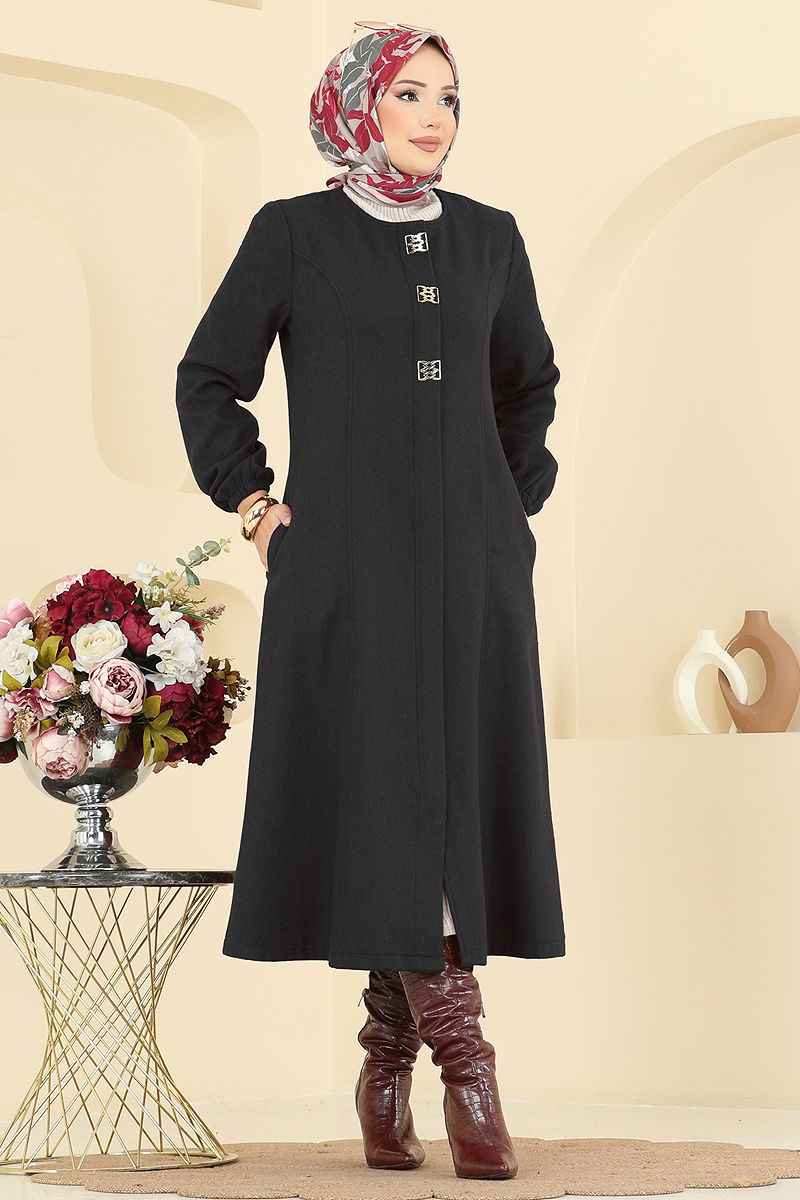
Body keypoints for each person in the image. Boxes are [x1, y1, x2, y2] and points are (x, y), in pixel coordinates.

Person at [175, 20, 566, 1181]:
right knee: (384, 803)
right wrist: (255, 505)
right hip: (345, 572)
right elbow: (208, 378)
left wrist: (502, 505)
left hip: (473, 576)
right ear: (356, 105)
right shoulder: (293, 233)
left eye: (448, 97)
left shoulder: (489, 237)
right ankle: (467, 1066)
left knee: (441, 803)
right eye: (409, 93)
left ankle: (385, 1064)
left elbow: (526, 386)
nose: (433, 116)